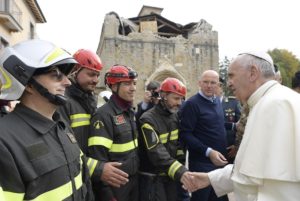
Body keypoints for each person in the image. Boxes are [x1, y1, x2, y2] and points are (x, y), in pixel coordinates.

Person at [186, 51, 300, 201]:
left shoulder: (277, 104)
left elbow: (276, 186)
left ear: (253, 73)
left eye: (231, 75)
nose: (228, 83)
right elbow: (248, 169)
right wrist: (210, 178)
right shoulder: (264, 102)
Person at [0, 39, 99, 200]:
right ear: (28, 84)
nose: (67, 82)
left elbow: (84, 182)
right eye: (56, 76)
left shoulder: (61, 126)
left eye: (66, 76)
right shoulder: (4, 141)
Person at [88, 65, 139, 201]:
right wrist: (107, 195)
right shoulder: (103, 115)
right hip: (115, 188)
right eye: (127, 84)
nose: (133, 88)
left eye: (134, 83)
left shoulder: (129, 112)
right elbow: (98, 159)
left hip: (133, 183)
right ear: (114, 87)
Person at [138, 77, 194, 201]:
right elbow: (157, 153)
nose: (180, 103)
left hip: (171, 177)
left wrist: (180, 168)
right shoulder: (147, 119)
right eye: (176, 98)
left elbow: (179, 146)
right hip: (153, 180)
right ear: (163, 96)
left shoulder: (174, 116)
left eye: (181, 99)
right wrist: (181, 171)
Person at [179, 70, 228, 201]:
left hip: (219, 163)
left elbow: (217, 124)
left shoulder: (216, 100)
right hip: (202, 164)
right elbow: (185, 134)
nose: (209, 85)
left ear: (218, 85)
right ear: (199, 83)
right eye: (205, 82)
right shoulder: (192, 104)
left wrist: (234, 127)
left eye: (213, 83)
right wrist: (209, 152)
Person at [216, 78, 241, 163]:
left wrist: (236, 146)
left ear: (221, 86)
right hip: (212, 151)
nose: (211, 87)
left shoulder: (233, 103)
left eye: (215, 84)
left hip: (230, 150)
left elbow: (241, 125)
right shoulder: (204, 104)